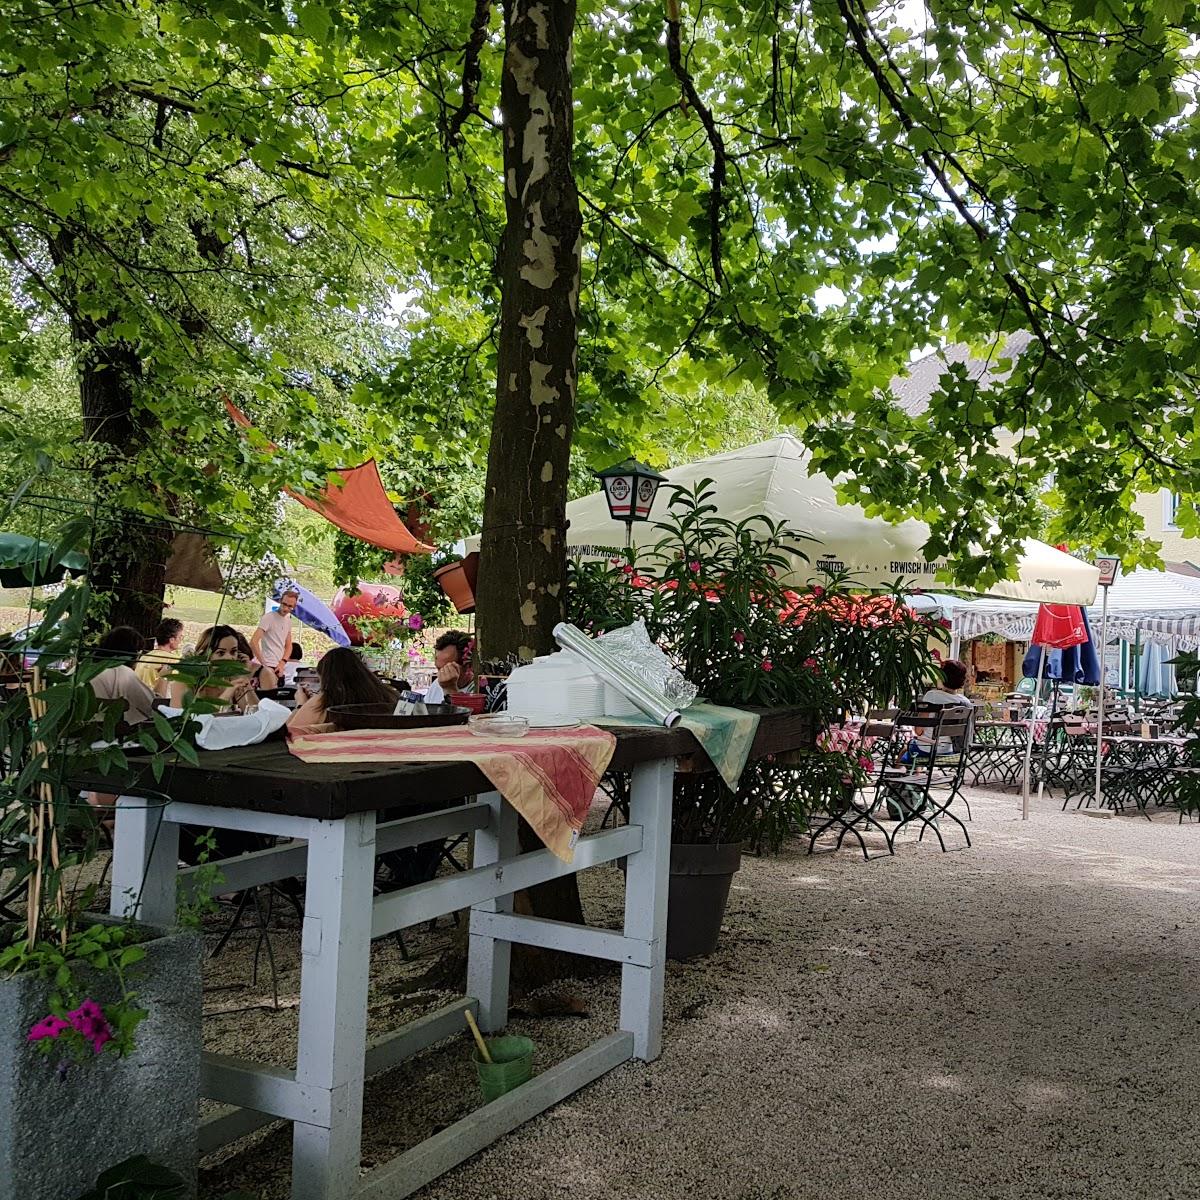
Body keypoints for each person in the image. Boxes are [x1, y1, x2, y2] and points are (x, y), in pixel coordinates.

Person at [288, 647, 399, 732]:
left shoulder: (324, 701)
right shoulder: (389, 695)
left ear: (326, 678)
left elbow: (292, 731)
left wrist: (301, 704)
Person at [169, 624, 260, 712]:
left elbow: (257, 714)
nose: (229, 658)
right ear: (205, 655)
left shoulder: (232, 679)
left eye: (233, 652)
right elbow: (184, 723)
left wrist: (243, 678)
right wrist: (227, 693)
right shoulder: (185, 682)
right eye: (221, 653)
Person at [90, 626, 157, 726]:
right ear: (133, 654)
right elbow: (150, 706)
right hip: (103, 734)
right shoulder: (122, 672)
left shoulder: (81, 669)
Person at [250, 589, 298, 690]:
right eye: (284, 604)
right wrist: (264, 664)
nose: (285, 608)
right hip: (268, 664)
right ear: (280, 601)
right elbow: (253, 642)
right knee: (269, 699)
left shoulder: (288, 620)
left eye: (290, 606)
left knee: (276, 699)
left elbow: (289, 645)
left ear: (294, 607)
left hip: (279, 666)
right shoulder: (269, 617)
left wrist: (282, 663)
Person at [134, 618, 185, 695]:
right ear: (171, 640)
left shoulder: (144, 657)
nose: (181, 640)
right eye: (180, 637)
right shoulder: (173, 661)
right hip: (155, 702)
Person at [424, 631, 474, 704]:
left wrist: (450, 690)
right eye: (438, 668)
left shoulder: (478, 689)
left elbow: (464, 713)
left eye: (446, 669)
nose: (440, 675)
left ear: (467, 666)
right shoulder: (436, 685)